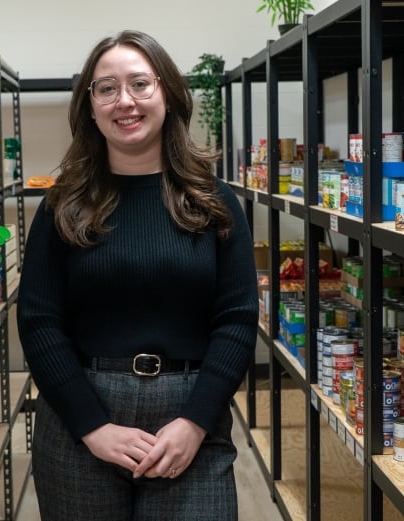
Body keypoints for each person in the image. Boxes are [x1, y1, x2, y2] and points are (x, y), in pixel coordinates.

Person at [16, 29, 259, 521]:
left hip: (192, 419)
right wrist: (93, 427)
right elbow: (39, 321)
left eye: (140, 84)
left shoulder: (215, 202)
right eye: (106, 88)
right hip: (80, 420)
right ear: (90, 106)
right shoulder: (62, 205)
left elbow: (237, 320)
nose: (124, 101)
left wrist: (193, 422)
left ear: (166, 94)